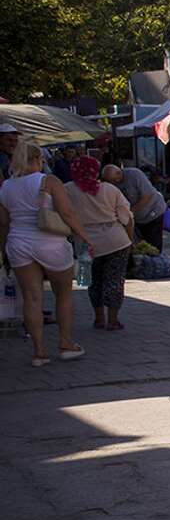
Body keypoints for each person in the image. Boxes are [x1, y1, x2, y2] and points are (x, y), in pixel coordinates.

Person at [1, 143, 90, 365]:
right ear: (38, 159)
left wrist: (3, 250)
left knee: (32, 298)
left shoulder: (6, 187)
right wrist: (83, 236)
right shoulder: (48, 181)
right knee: (63, 294)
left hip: (18, 243)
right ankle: (66, 343)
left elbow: (3, 223)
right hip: (51, 243)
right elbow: (66, 212)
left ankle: (39, 352)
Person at [65, 156, 134, 331]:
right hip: (115, 241)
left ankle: (99, 318)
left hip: (84, 242)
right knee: (115, 280)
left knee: (93, 281)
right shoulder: (110, 189)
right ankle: (113, 320)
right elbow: (126, 217)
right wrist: (130, 238)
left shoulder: (67, 190)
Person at [115, 162, 167, 238]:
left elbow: (147, 195)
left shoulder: (134, 174)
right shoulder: (111, 183)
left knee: (153, 243)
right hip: (137, 218)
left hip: (153, 211)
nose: (115, 182)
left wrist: (130, 212)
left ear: (119, 172)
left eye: (116, 179)